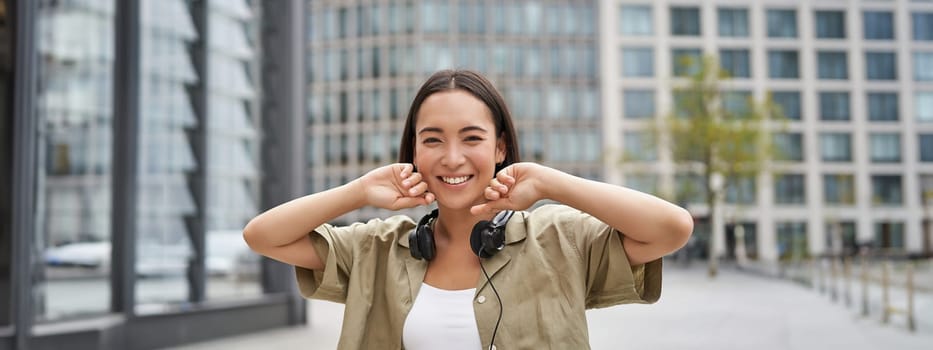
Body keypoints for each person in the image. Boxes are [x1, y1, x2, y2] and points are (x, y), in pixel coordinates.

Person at [243, 69, 693, 349]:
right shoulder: (376, 247)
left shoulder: (560, 239)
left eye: (472, 138)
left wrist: (550, 183)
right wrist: (359, 190)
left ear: (500, 147)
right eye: (433, 139)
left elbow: (671, 228)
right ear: (414, 151)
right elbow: (262, 236)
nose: (452, 158)